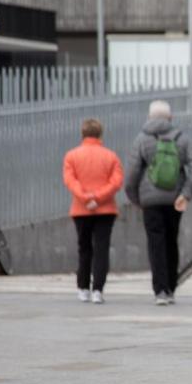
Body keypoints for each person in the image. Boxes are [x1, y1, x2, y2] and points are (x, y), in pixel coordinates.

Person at [125, 99, 192, 306]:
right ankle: (171, 287)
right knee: (171, 241)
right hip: (175, 200)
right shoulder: (182, 139)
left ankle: (160, 291)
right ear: (170, 117)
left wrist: (136, 199)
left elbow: (132, 173)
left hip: (150, 200)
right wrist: (185, 194)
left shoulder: (141, 139)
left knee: (155, 243)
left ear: (149, 117)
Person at [62, 117, 123, 304]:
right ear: (100, 134)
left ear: (82, 134)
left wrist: (85, 197)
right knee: (102, 249)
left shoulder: (71, 156)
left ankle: (82, 288)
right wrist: (98, 197)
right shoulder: (111, 156)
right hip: (105, 209)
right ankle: (98, 289)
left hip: (81, 210)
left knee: (84, 248)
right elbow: (116, 182)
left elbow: (70, 181)